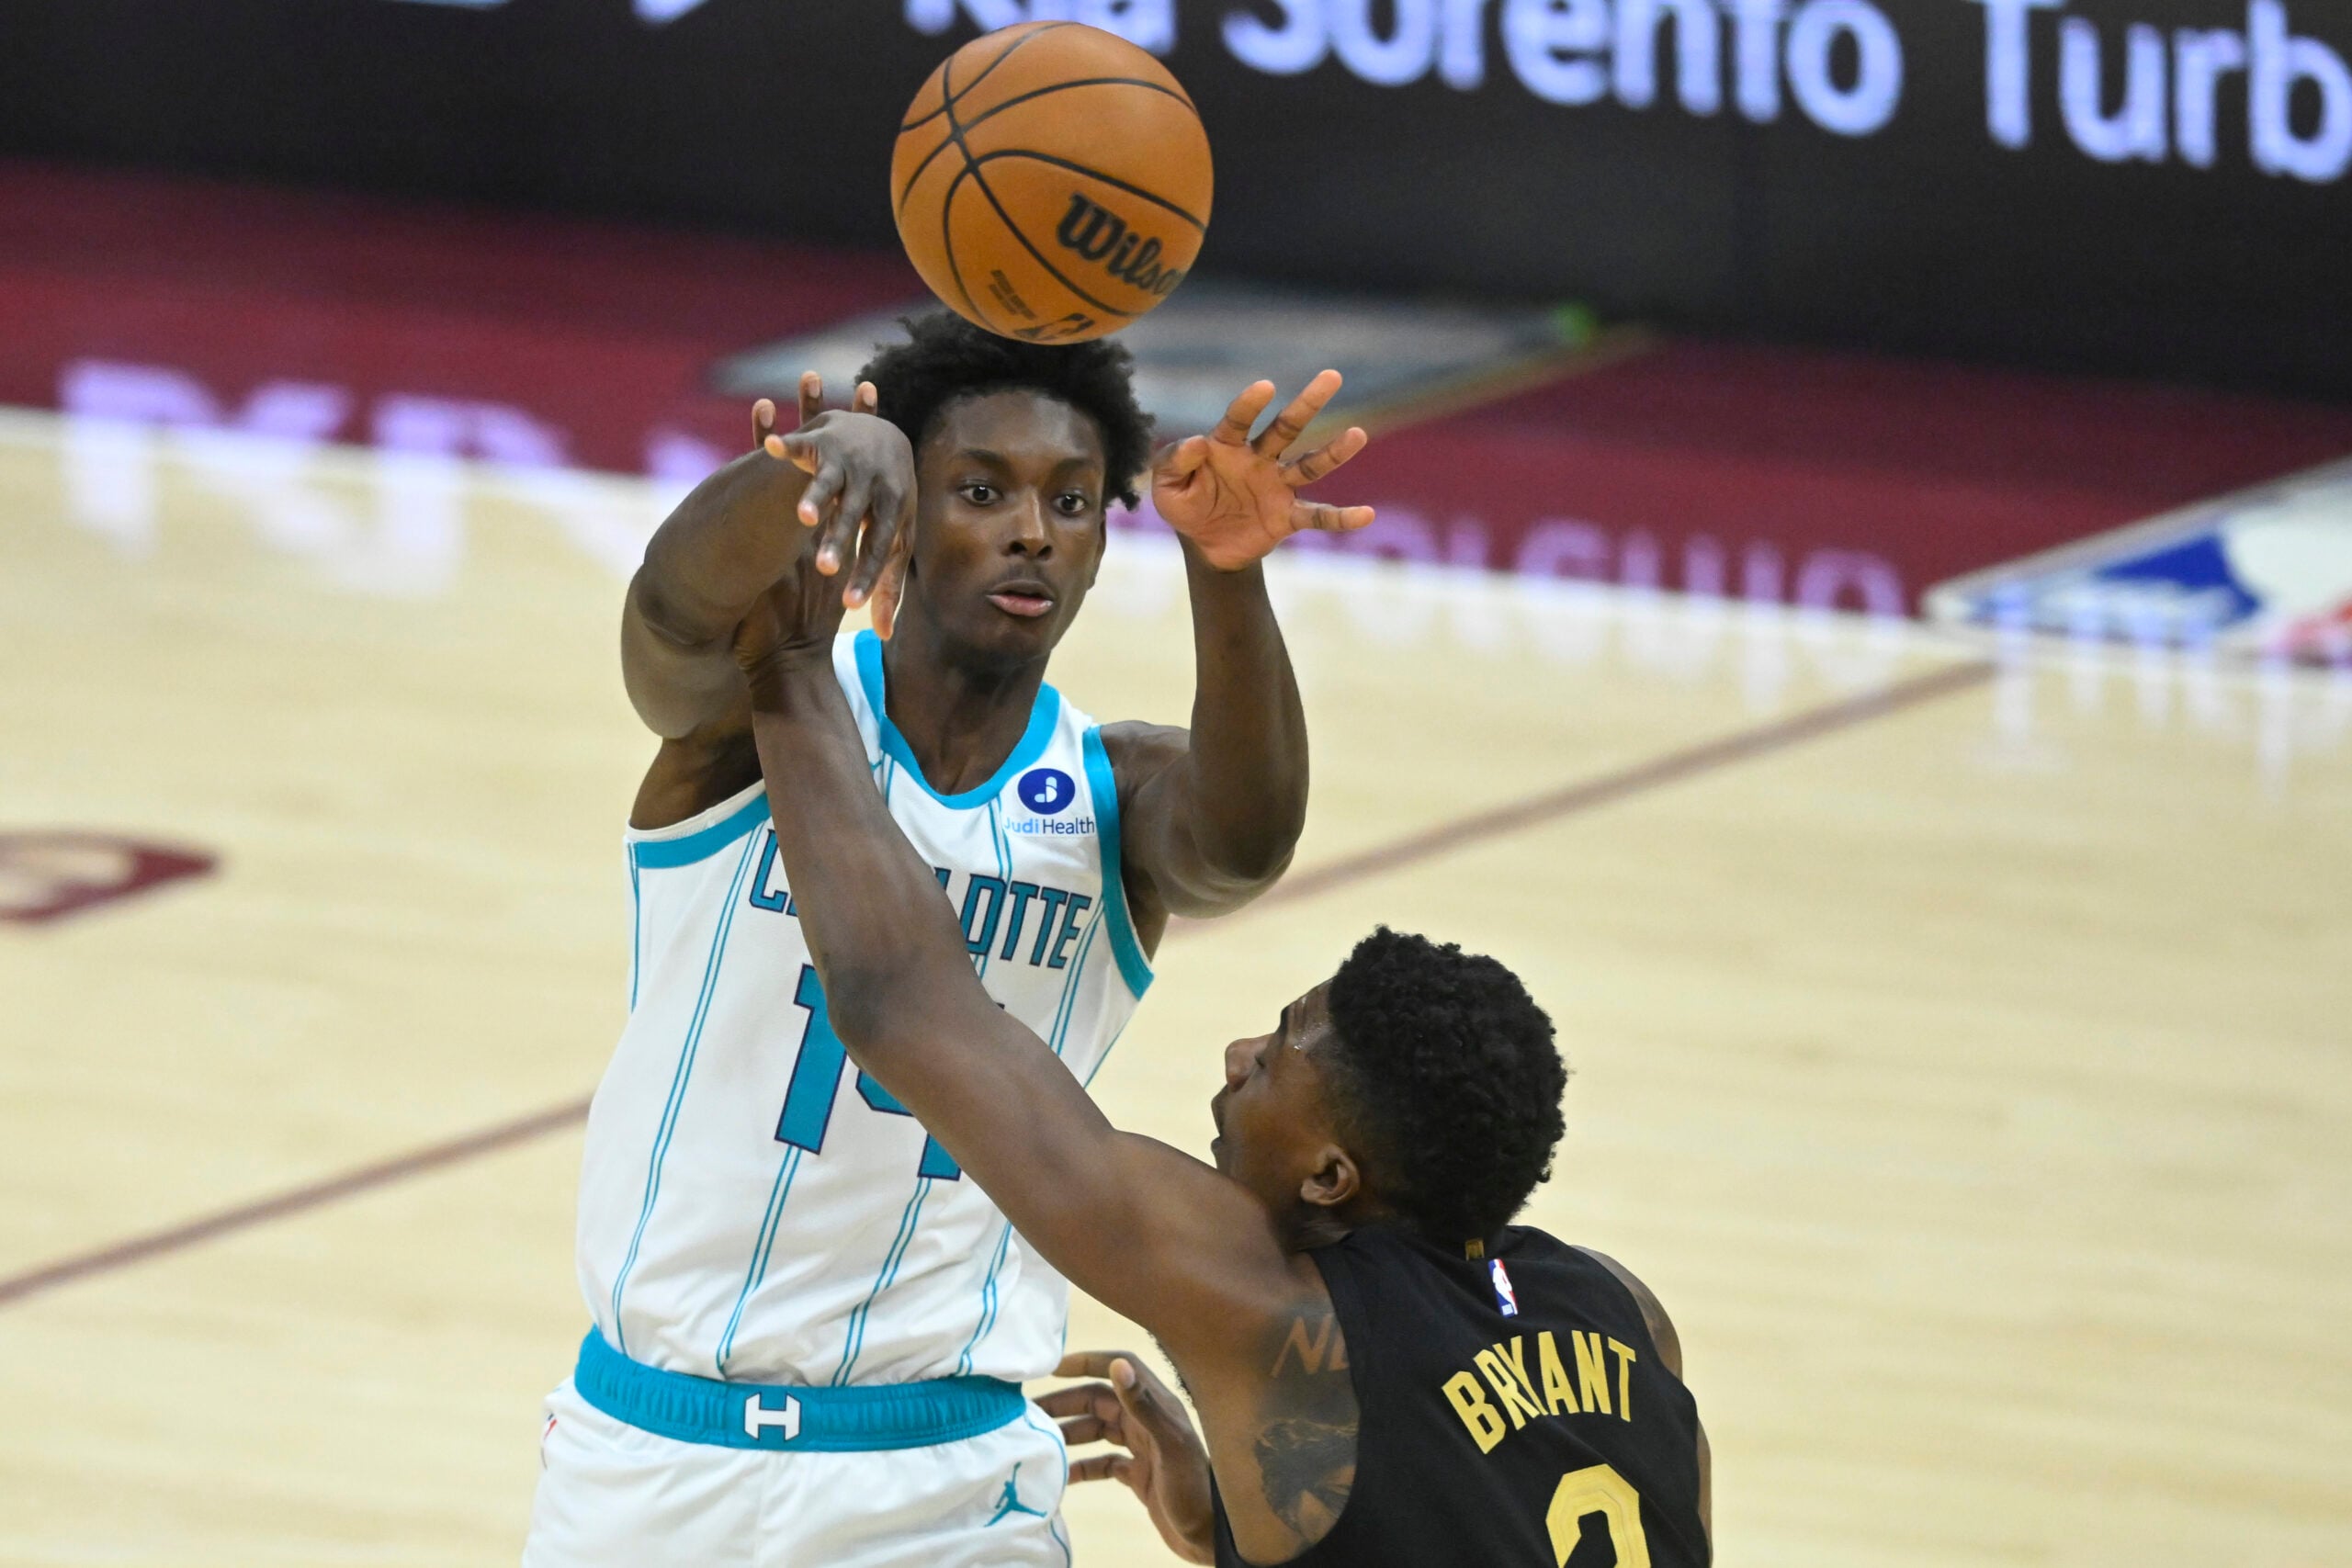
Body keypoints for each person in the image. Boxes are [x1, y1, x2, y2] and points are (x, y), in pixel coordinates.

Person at [523, 311, 1375, 1566]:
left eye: (1072, 502)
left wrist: (1228, 573)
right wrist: (801, 470)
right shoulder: (757, 707)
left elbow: (1245, 841)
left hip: (942, 1475)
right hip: (651, 1454)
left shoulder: (1113, 791)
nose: (1033, 530)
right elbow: (668, 609)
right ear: (902, 517)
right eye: (981, 491)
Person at [731, 534, 1714, 1564]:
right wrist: (1226, 1527)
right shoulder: (1625, 1311)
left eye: (1279, 1052)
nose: (1239, 1054)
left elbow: (899, 1004)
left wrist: (787, 669)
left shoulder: (1276, 1322)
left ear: (1332, 1176)